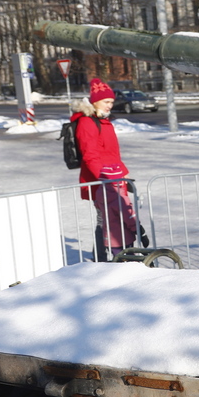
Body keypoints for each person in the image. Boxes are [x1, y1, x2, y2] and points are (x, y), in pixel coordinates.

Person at [73, 78, 137, 260]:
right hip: (102, 181)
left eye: (111, 102)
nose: (110, 105)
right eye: (106, 102)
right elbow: (90, 156)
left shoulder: (102, 121)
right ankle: (101, 259)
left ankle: (104, 257)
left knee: (110, 220)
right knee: (105, 220)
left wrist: (122, 176)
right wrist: (107, 181)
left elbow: (111, 154)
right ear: (95, 102)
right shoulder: (87, 123)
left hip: (113, 178)